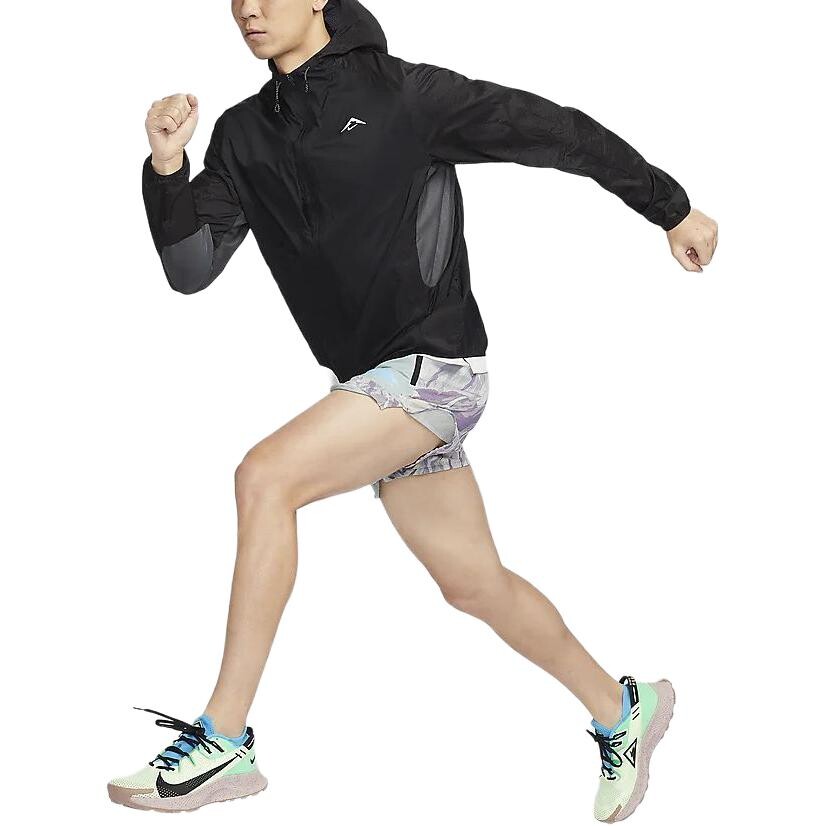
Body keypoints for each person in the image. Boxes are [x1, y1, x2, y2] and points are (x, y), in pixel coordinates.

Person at [109, 0, 718, 820]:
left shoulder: (404, 96)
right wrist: (166, 168)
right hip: (374, 390)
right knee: (475, 585)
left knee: (265, 479)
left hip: (435, 371)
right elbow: (190, 268)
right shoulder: (245, 135)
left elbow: (556, 132)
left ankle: (223, 736)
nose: (249, 8)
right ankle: (623, 710)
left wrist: (670, 207)